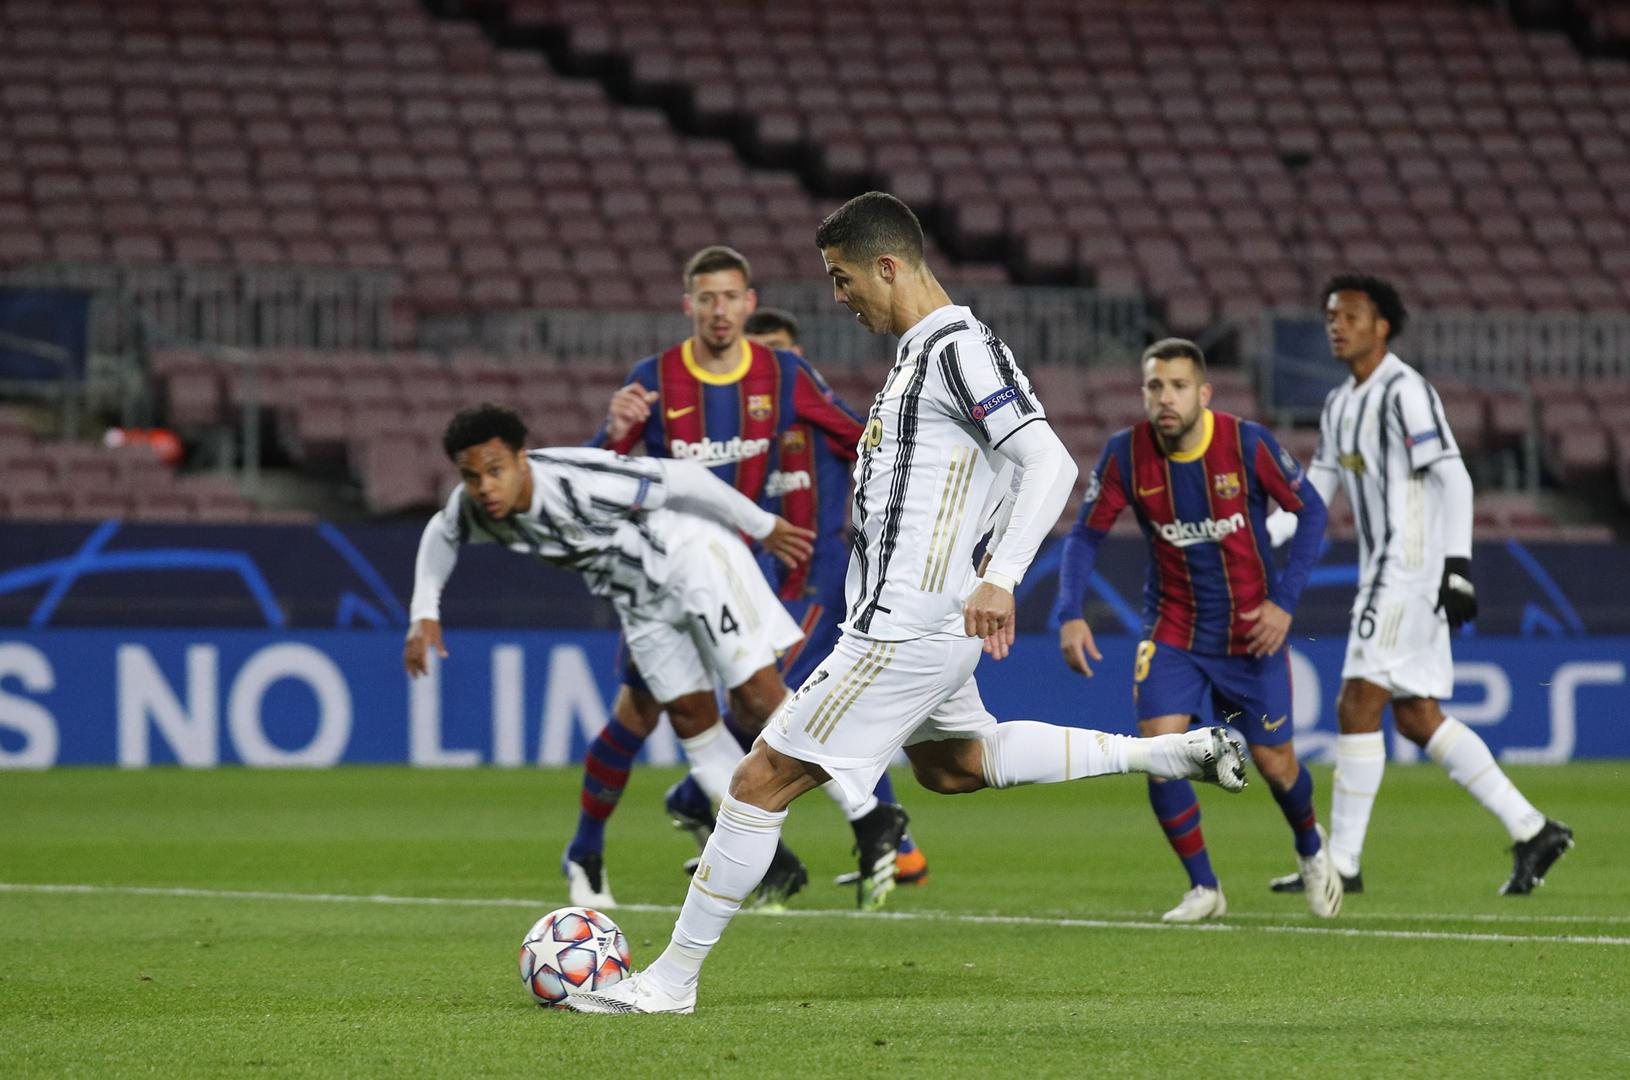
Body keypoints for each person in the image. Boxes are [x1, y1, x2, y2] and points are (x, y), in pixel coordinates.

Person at [565, 191, 1249, 1016]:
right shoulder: (924, 356)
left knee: (757, 782)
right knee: (954, 766)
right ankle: (1168, 754)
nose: (838, 296)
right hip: (930, 621)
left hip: (906, 628)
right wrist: (979, 568)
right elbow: (993, 475)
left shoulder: (958, 349)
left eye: (842, 277)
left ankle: (669, 983)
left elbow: (1050, 464)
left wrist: (1001, 575)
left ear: (887, 267)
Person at [564, 246, 927, 913]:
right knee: (640, 714)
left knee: (764, 703)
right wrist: (613, 434)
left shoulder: (782, 374)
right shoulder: (654, 378)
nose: (719, 310)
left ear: (749, 303)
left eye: (731, 297)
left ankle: (819, 835)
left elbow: (860, 437)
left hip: (737, 578)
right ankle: (587, 848)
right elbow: (591, 479)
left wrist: (912, 489)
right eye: (707, 298)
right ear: (689, 305)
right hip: (665, 579)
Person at [403, 405, 819, 910]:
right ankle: (617, 849)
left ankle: (601, 846)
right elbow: (442, 531)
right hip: (642, 605)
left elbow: (677, 475)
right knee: (648, 715)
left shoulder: (579, 484)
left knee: (696, 708)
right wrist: (424, 611)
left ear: (521, 460)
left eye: (495, 471)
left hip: (688, 565)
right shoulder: (474, 506)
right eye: (473, 477)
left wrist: (760, 523)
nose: (485, 487)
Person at [1264, 274, 1573, 897]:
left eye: (1351, 315)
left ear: (1382, 326)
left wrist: (1457, 566)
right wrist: (1258, 533)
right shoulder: (1340, 403)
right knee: (1415, 715)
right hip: (1389, 571)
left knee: (1357, 702)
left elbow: (1454, 478)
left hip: (1410, 571)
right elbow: (1315, 492)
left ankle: (1342, 863)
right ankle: (1533, 828)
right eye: (1331, 316)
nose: (1337, 325)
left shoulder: (1404, 391)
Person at [1052, 338, 1339, 922]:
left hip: (1250, 633)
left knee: (1277, 765)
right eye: (1155, 386)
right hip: (1173, 629)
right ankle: (1204, 887)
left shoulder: (1247, 444)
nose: (1166, 398)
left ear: (1203, 393)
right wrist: (1069, 611)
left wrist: (1284, 604)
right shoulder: (1125, 454)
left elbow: (1311, 510)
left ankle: (1311, 846)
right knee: (1160, 751)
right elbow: (1084, 535)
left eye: (1178, 386)